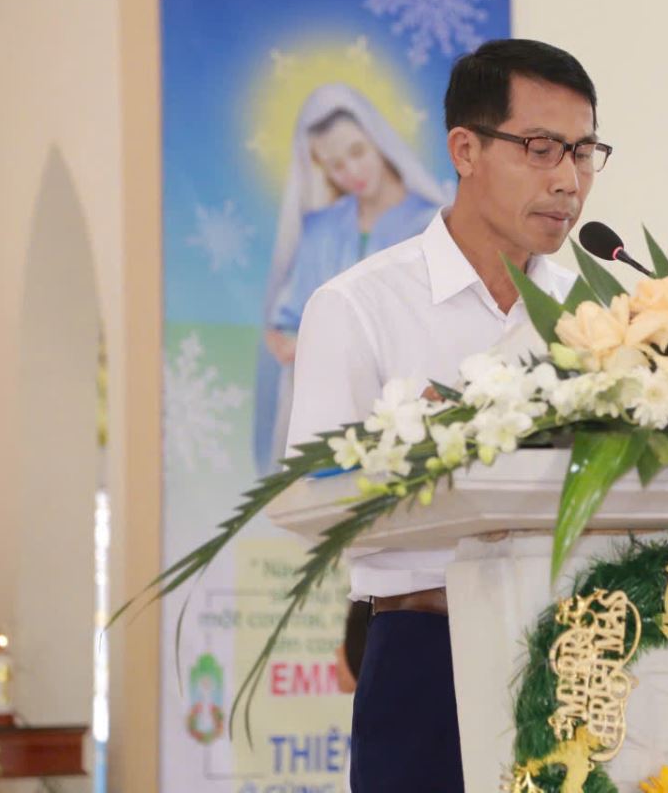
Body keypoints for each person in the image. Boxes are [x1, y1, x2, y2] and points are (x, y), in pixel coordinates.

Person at [285, 39, 610, 791]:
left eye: (583, 153)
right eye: (540, 148)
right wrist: (455, 471)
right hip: (426, 649)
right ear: (465, 149)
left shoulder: (597, 314)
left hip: (587, 653)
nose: (567, 180)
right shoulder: (358, 306)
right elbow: (314, 504)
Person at [252, 83, 447, 476]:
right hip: (329, 418)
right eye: (335, 165)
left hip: (408, 414)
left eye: (358, 152)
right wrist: (294, 344)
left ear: (379, 142)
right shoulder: (321, 228)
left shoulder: (432, 223)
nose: (352, 173)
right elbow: (285, 325)